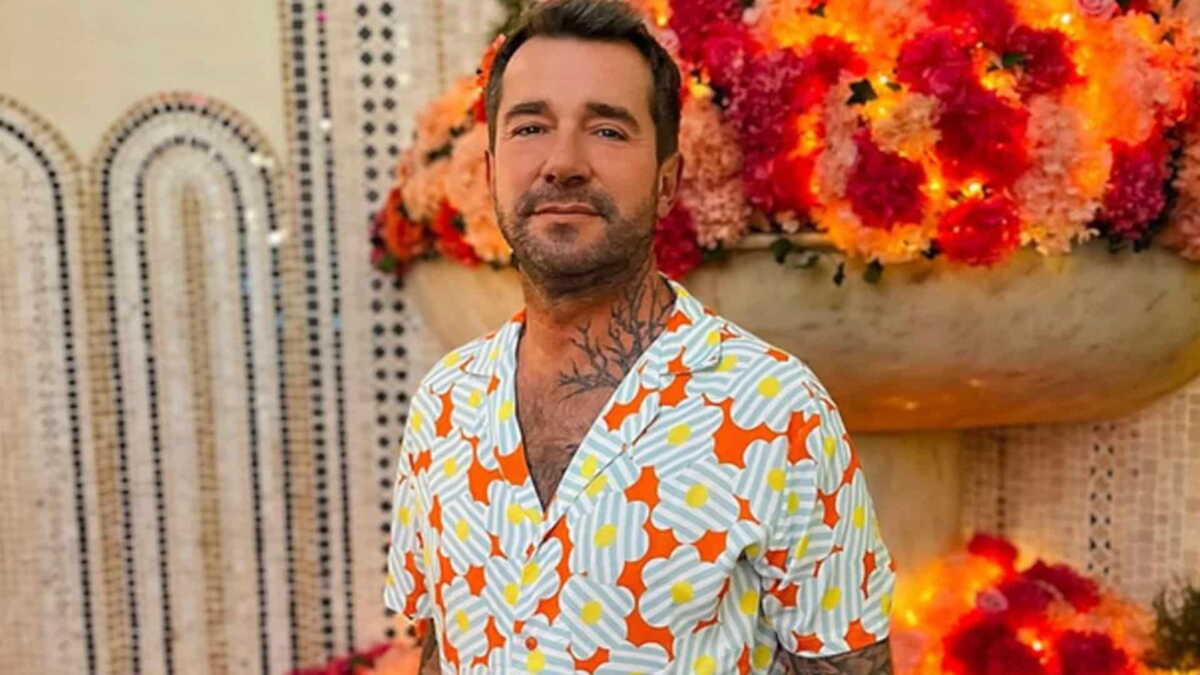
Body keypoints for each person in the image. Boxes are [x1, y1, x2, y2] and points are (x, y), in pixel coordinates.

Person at [384, 0, 896, 672]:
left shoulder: (774, 409)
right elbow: (438, 645)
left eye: (608, 130)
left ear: (666, 182)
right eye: (531, 126)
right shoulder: (445, 403)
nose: (563, 163)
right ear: (490, 172)